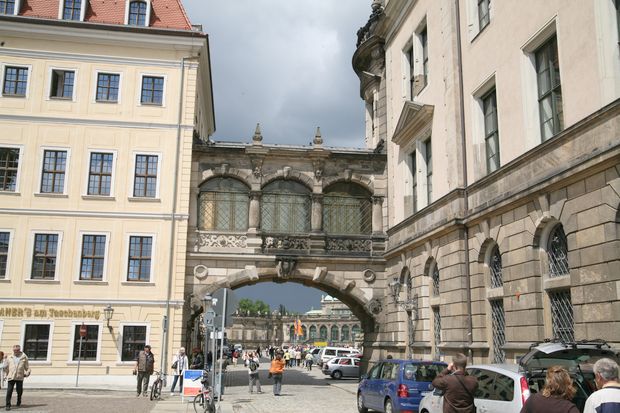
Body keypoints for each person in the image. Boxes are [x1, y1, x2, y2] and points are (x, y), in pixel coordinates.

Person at [3, 345, 30, 411]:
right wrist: (6, 375)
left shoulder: (24, 357)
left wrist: (27, 373)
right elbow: (6, 367)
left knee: (19, 391)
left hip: (19, 377)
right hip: (11, 377)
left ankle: (19, 400)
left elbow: (27, 368)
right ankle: (8, 405)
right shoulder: (9, 357)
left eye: (16, 350)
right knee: (9, 391)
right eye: (14, 350)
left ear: (19, 350)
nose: (15, 352)